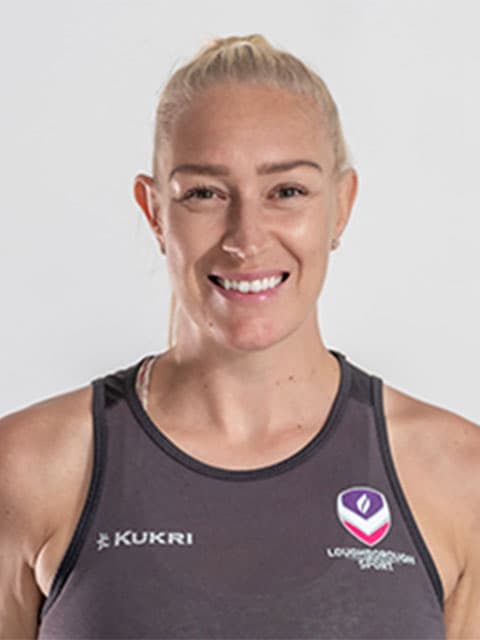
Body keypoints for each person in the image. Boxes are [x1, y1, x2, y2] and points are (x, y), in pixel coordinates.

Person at [1, 33, 479, 640]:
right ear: (154, 211)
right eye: (205, 193)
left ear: (341, 205)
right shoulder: (28, 469)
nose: (246, 238)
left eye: (287, 192)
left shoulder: (457, 477)